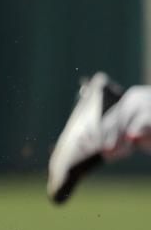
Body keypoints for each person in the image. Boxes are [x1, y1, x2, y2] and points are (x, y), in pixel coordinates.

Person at [48, 72, 151, 203]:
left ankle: (106, 97)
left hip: (126, 112)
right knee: (60, 191)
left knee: (61, 192)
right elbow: (134, 135)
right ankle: (100, 101)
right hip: (106, 128)